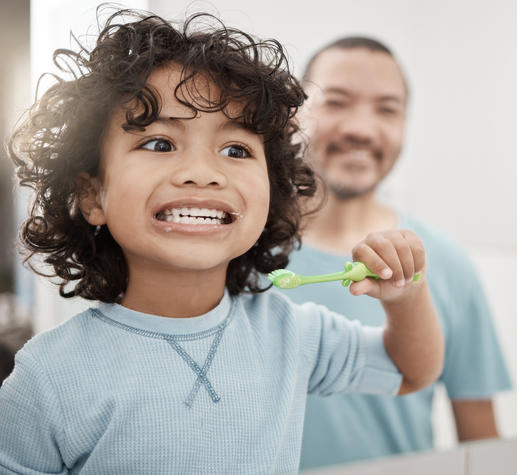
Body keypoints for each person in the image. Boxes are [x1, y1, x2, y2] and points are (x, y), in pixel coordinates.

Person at [0, 11, 444, 473]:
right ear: (93, 195)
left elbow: (411, 370)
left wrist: (406, 297)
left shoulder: (290, 334)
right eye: (158, 143)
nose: (203, 173)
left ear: (271, 192)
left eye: (236, 151)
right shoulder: (48, 376)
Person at [290, 37, 513, 469]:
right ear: (296, 113)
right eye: (336, 102)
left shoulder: (446, 264)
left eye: (387, 109)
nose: (362, 128)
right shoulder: (239, 254)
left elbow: (483, 442)